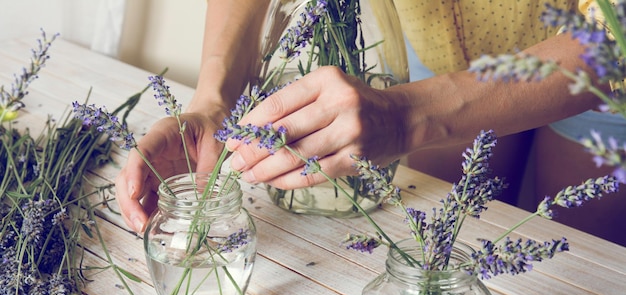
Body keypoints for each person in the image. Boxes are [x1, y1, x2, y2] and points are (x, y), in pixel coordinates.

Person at [115, 0, 626, 246]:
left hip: (599, 68)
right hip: (434, 55)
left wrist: (408, 117)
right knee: (443, 253)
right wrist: (211, 103)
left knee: (570, 269)